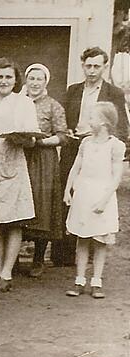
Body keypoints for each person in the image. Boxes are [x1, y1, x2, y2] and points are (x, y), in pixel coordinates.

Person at [55, 47, 129, 266]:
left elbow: (121, 128)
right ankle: (65, 255)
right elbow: (64, 120)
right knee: (69, 197)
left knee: (95, 200)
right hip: (74, 149)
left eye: (97, 66)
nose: (92, 70)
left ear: (105, 66)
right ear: (82, 65)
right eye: (88, 66)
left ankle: (92, 251)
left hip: (99, 152)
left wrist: (101, 138)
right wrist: (68, 130)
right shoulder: (73, 90)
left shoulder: (113, 93)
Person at [0, 58, 39, 293]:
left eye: (8, 77)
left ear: (16, 80)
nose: (3, 81)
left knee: (13, 221)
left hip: (13, 163)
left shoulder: (24, 103)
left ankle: (6, 273)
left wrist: (22, 138)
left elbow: (33, 138)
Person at [63, 102, 124, 299]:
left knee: (100, 241)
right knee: (83, 238)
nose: (89, 121)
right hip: (83, 194)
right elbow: (76, 167)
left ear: (104, 122)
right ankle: (79, 279)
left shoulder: (115, 146)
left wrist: (104, 200)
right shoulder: (86, 143)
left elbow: (116, 176)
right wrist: (68, 190)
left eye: (92, 117)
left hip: (102, 195)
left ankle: (97, 281)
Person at [22, 64, 67, 278]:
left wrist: (41, 141)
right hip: (19, 155)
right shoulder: (18, 102)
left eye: (39, 79)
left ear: (45, 82)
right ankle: (11, 258)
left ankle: (38, 258)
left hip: (42, 159)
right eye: (31, 78)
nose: (35, 82)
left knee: (41, 205)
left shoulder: (53, 106)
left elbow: (62, 136)